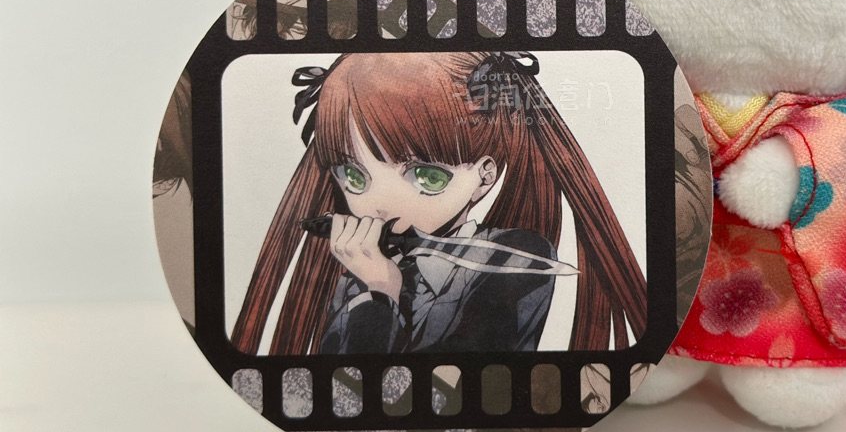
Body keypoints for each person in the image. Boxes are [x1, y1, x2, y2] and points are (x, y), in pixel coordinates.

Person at [231, 51, 647, 355]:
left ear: (484, 177)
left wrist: (382, 293)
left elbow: (461, 386)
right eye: (354, 177)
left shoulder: (515, 257)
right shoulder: (360, 268)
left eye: (426, 176)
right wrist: (374, 286)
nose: (377, 205)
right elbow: (343, 391)